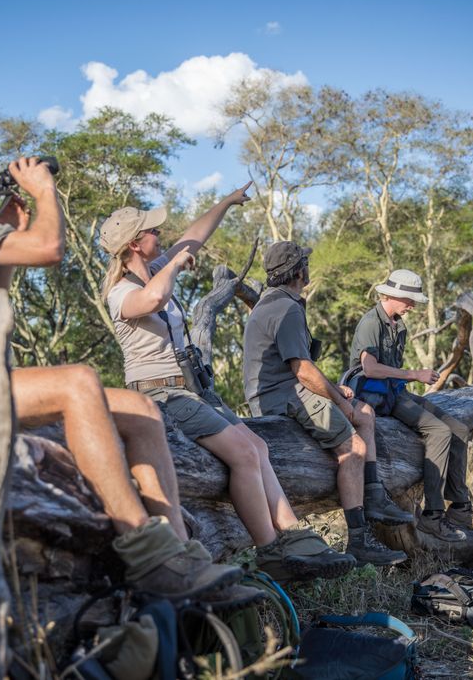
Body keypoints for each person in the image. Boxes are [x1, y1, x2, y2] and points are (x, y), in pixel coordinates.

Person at [0, 112, 251, 605]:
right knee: (78, 381)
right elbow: (51, 248)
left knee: (141, 412)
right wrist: (42, 190)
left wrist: (5, 248)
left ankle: (179, 553)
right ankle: (145, 551)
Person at [99, 192, 355, 582]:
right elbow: (153, 299)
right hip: (161, 393)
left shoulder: (157, 267)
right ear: (135, 244)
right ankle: (271, 551)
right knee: (243, 454)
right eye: (152, 230)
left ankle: (294, 536)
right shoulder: (121, 292)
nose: (161, 233)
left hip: (192, 389)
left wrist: (227, 202)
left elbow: (193, 238)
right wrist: (173, 267)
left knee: (258, 446)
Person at [242, 241, 409, 567]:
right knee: (354, 448)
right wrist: (337, 400)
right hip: (281, 395)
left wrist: (336, 389)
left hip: (281, 388)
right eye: (305, 262)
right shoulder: (287, 309)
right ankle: (358, 540)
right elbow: (302, 371)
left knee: (365, 413)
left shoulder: (272, 302)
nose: (308, 267)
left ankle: (374, 495)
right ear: (298, 272)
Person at [347, 269, 473, 542]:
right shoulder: (371, 322)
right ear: (394, 295)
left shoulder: (400, 326)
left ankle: (461, 508)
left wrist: (408, 379)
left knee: (459, 429)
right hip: (376, 395)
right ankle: (433, 515)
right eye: (410, 299)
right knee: (439, 431)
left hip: (396, 392)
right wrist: (415, 374)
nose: (413, 305)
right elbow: (370, 369)